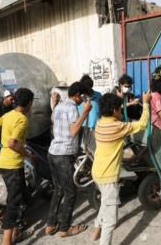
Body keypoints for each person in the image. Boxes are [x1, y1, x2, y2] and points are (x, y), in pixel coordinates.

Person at [91, 91, 151, 245]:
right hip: (108, 176)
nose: (120, 111)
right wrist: (146, 103)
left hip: (97, 172)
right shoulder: (118, 126)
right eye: (119, 109)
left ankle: (96, 228)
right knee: (111, 220)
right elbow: (143, 124)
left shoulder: (100, 122)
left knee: (105, 201)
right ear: (113, 111)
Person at [0, 88, 35, 245]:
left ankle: (17, 230)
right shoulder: (22, 119)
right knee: (13, 203)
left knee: (23, 195)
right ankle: (6, 241)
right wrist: (27, 154)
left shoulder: (8, 115)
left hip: (6, 163)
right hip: (12, 165)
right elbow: (13, 143)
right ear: (28, 104)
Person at [45, 82, 92, 237]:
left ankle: (51, 225)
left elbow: (53, 119)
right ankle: (65, 228)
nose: (83, 100)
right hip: (63, 155)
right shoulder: (72, 107)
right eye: (83, 96)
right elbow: (73, 131)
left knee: (58, 189)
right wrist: (85, 113)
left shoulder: (59, 106)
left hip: (53, 152)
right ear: (77, 95)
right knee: (70, 192)